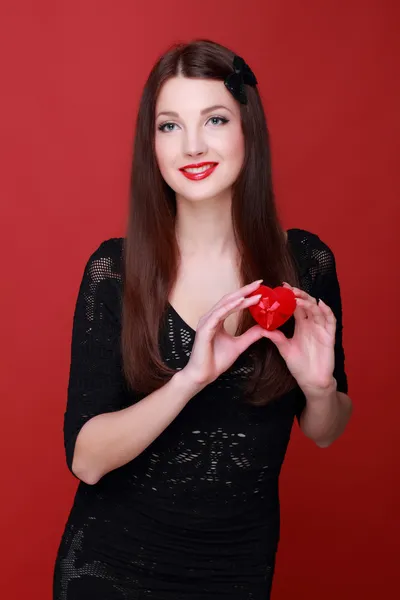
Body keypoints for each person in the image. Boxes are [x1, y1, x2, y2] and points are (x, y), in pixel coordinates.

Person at [53, 39, 352, 600]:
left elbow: (327, 431)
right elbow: (87, 460)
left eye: (214, 119)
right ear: (152, 145)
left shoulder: (306, 265)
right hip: (110, 571)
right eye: (169, 126)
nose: (192, 145)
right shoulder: (114, 271)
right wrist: (190, 379)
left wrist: (320, 388)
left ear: (248, 130)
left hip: (237, 573)